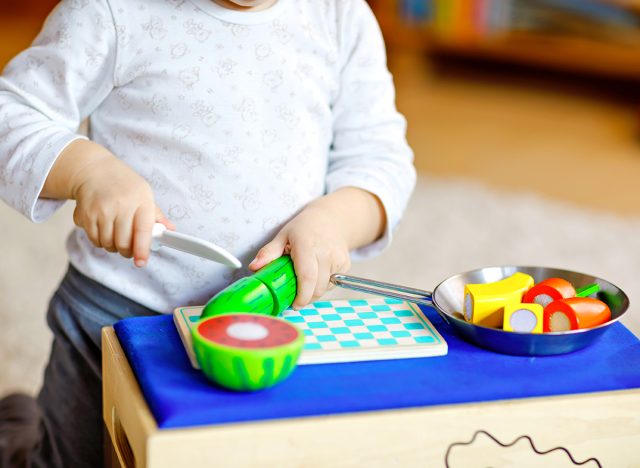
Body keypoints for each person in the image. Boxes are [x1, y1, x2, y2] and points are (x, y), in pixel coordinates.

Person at [0, 0, 416, 465]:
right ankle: (18, 431)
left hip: (276, 325)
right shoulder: (111, 10)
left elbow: (380, 160)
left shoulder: (340, 15)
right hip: (115, 319)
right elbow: (11, 114)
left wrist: (333, 221)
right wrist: (87, 170)